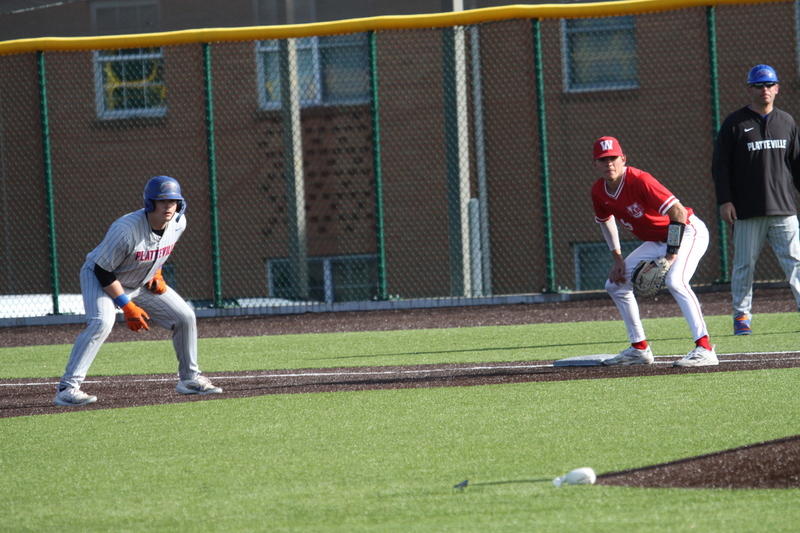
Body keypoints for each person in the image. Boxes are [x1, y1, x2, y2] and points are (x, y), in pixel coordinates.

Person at [54, 176, 223, 406]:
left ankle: (189, 379)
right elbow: (103, 271)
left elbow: (159, 250)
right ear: (149, 203)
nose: (168, 206)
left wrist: (157, 273)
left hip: (140, 280)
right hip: (101, 278)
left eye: (173, 201)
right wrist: (127, 305)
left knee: (185, 316)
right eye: (161, 201)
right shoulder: (125, 229)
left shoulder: (178, 223)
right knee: (101, 323)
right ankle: (67, 389)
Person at [590, 136, 718, 367]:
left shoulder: (640, 180)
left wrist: (670, 255)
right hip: (657, 240)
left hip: (688, 231)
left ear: (623, 159)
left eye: (613, 158)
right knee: (615, 284)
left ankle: (705, 349)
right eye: (603, 160)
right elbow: (605, 220)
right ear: (595, 164)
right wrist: (617, 258)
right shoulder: (599, 191)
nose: (609, 164)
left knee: (675, 281)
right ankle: (639, 349)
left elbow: (678, 213)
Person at [712, 64, 800, 335]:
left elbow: (796, 164)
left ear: (777, 88)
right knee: (744, 264)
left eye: (769, 84)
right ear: (749, 89)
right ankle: (741, 316)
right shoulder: (734, 123)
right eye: (759, 85)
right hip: (748, 209)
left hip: (783, 208)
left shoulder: (786, 121)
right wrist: (725, 201)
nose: (765, 89)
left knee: (795, 261)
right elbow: (720, 166)